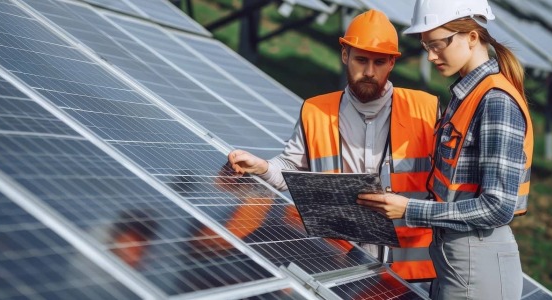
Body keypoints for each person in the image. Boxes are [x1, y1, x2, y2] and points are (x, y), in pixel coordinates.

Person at [227, 10, 438, 282]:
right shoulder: (315, 111)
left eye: (379, 62)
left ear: (392, 64)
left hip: (412, 276)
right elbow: (291, 169)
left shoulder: (426, 110)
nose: (370, 72)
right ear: (344, 55)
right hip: (338, 267)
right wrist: (264, 167)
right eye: (361, 60)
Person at [357, 0, 533, 299]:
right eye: (426, 46)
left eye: (437, 45)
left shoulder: (496, 101)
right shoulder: (467, 95)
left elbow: (498, 207)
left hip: (477, 260)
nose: (430, 56)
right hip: (456, 258)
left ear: (472, 37)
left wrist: (409, 209)